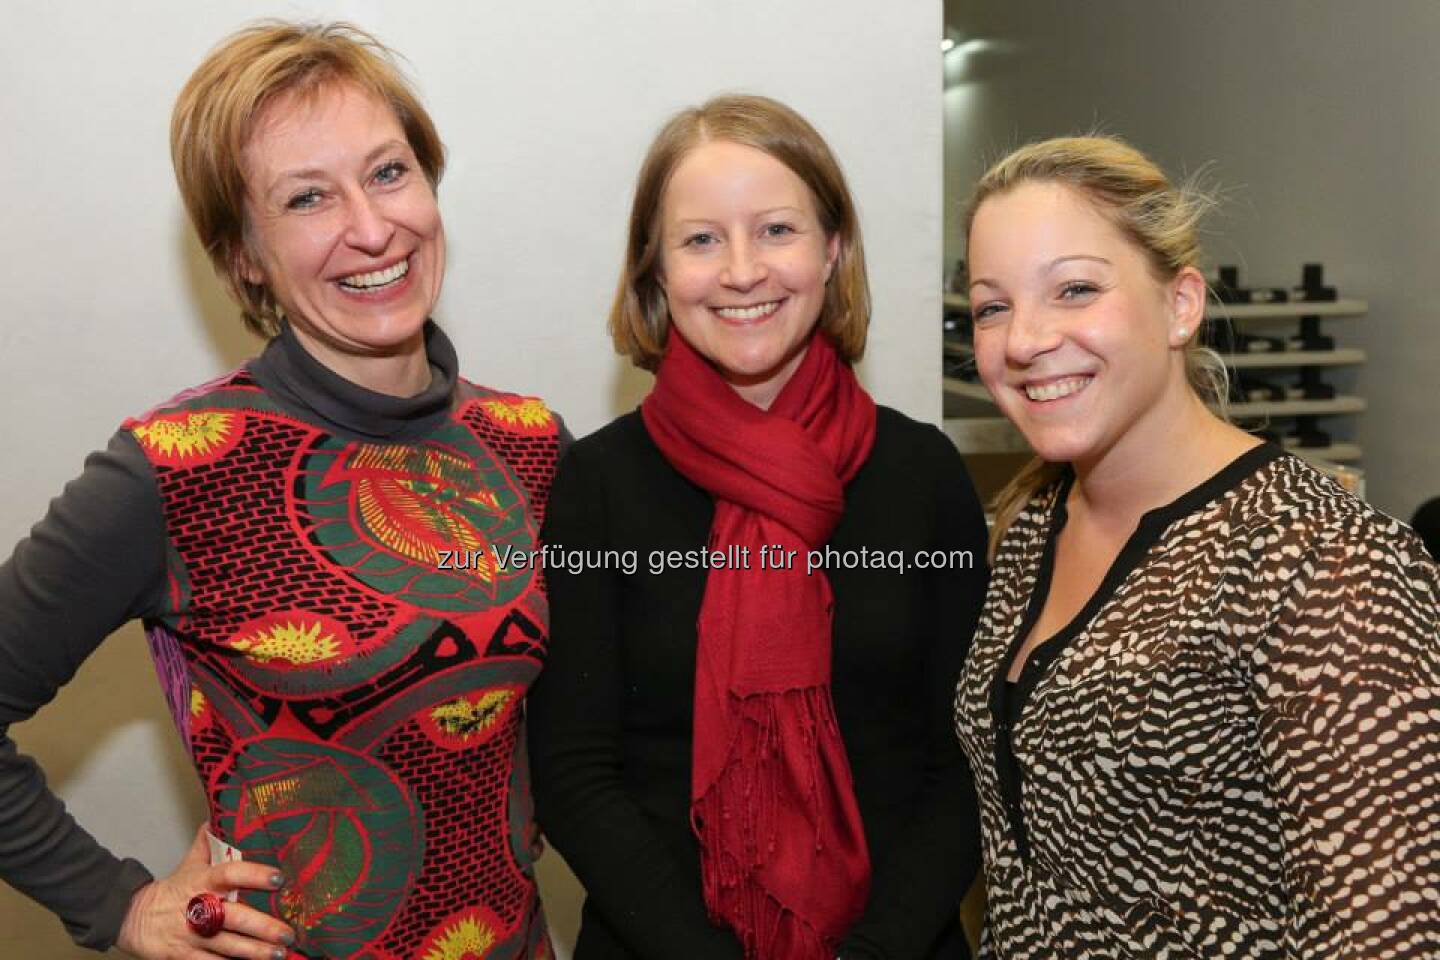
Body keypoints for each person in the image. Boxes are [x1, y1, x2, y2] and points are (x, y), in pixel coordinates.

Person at [0, 22, 564, 960]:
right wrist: (119, 906)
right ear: (243, 258)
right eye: (308, 197)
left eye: (388, 173)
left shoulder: (532, 445)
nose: (373, 228)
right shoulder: (179, 468)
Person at [953, 135, 1440, 958]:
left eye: (1074, 289)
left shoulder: (1328, 561)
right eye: (992, 306)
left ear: (1181, 304)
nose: (1024, 339)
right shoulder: (1031, 522)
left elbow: (1383, 935)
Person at [527, 94, 988, 960]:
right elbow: (576, 773)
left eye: (777, 230)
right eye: (701, 239)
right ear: (656, 272)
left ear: (834, 248)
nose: (743, 271)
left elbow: (965, 763)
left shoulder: (924, 476)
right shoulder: (597, 484)